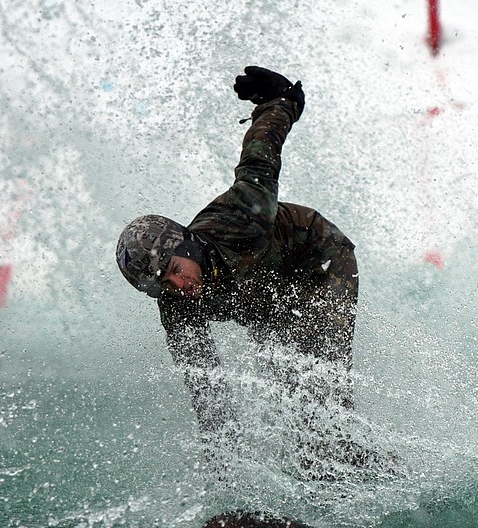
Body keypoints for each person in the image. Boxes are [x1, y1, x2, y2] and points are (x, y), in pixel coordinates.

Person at [115, 67, 359, 466]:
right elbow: (207, 391)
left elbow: (259, 156)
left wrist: (280, 103)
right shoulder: (176, 303)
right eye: (165, 286)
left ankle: (357, 469)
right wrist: (227, 482)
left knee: (320, 388)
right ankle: (321, 468)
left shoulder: (238, 218)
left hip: (319, 259)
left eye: (176, 270)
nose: (180, 286)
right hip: (267, 296)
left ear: (186, 244)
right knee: (289, 398)